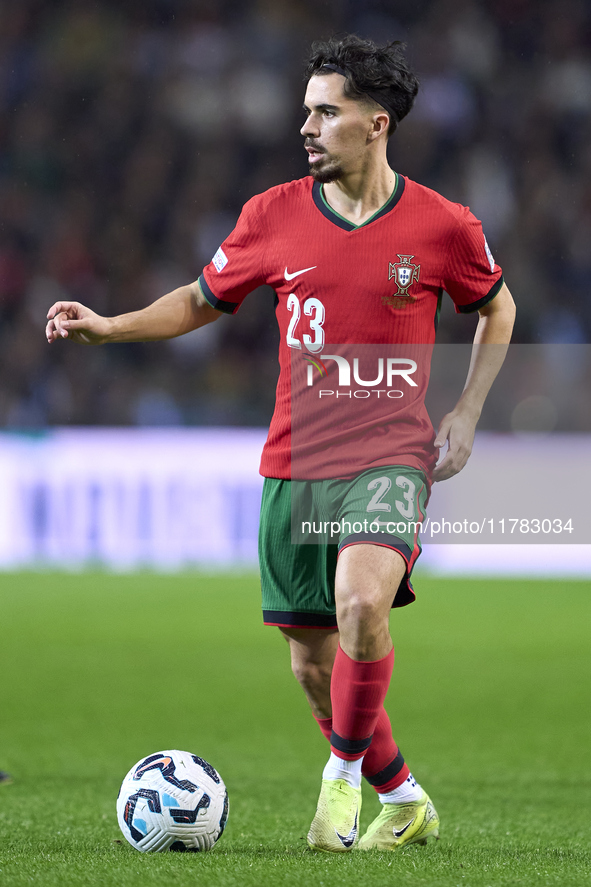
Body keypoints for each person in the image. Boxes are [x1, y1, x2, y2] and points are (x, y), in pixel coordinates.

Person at [46, 35, 515, 853]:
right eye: (305, 110)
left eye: (325, 112)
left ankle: (337, 786)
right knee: (310, 665)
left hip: (388, 455)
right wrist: (111, 326)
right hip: (294, 464)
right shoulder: (271, 214)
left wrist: (467, 410)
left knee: (364, 604)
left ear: (374, 124)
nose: (306, 126)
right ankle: (401, 797)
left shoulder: (443, 225)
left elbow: (496, 307)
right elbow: (201, 298)